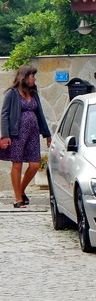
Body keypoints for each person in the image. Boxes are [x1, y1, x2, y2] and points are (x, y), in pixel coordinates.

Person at [0, 65, 51, 208]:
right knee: (17, 164)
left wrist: (47, 134)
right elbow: (4, 114)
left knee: (35, 165)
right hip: (16, 134)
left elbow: (40, 114)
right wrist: (5, 135)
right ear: (25, 77)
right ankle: (17, 199)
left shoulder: (34, 93)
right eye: (32, 76)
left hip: (33, 134)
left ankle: (21, 191)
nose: (34, 78)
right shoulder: (12, 93)